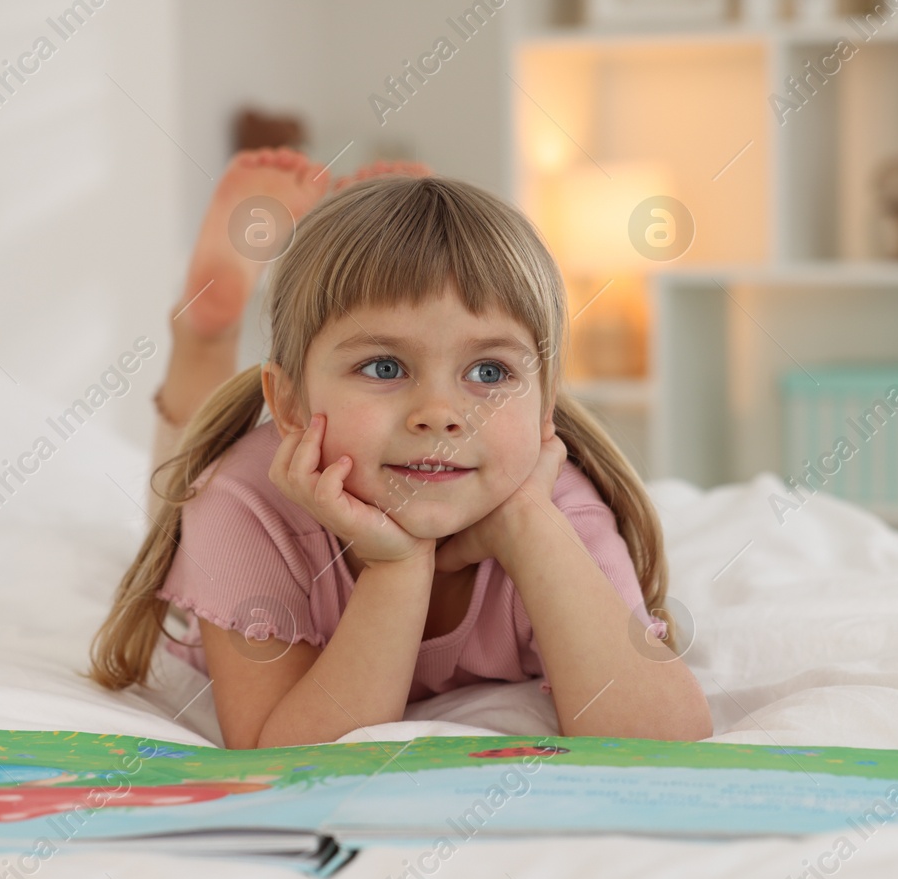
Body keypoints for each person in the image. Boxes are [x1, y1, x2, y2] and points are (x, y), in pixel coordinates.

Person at [89, 149, 713, 749]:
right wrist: (396, 568)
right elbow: (281, 754)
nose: (440, 415)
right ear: (288, 405)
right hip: (243, 487)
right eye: (385, 367)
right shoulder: (243, 502)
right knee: (175, 494)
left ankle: (361, 234)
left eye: (490, 373)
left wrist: (527, 525)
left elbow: (668, 737)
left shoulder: (556, 508)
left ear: (544, 408)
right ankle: (204, 336)